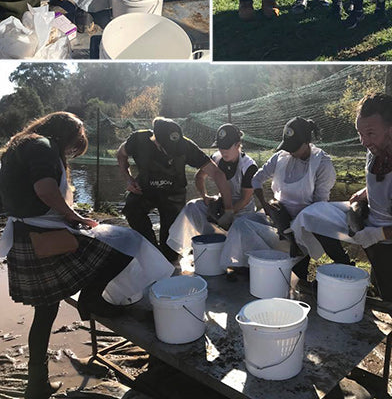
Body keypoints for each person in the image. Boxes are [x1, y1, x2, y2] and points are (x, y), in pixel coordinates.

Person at [0, 113, 172, 399]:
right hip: (43, 235)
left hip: (27, 234)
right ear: (65, 134)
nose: (71, 152)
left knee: (45, 313)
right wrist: (74, 217)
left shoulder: (21, 144)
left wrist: (67, 217)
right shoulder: (41, 145)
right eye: (73, 146)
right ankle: (91, 298)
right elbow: (44, 189)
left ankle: (36, 384)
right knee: (125, 244)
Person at [292, 92, 392, 385]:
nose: (364, 141)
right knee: (311, 216)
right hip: (366, 219)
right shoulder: (375, 142)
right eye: (360, 133)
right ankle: (341, 265)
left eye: (370, 134)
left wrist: (379, 234)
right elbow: (383, 184)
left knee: (391, 297)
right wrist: (364, 194)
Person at [224, 117, 351, 276]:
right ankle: (249, 266)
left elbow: (320, 207)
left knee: (302, 259)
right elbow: (256, 179)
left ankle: (342, 267)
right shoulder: (280, 157)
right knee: (242, 224)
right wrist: (265, 204)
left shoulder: (322, 163)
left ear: (306, 142)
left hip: (307, 221)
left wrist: (295, 226)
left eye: (294, 147)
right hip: (279, 215)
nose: (290, 151)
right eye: (288, 147)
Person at [116, 117, 234, 261]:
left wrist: (228, 210)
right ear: (155, 140)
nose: (172, 153)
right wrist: (128, 179)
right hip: (144, 189)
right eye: (168, 150)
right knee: (132, 209)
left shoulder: (185, 146)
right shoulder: (138, 139)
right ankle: (150, 249)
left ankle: (164, 255)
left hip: (173, 195)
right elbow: (121, 155)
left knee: (170, 253)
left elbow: (217, 174)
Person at [166, 123, 258, 258]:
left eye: (227, 147)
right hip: (222, 204)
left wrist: (228, 214)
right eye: (220, 147)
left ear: (238, 145)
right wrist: (205, 196)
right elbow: (199, 177)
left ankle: (235, 256)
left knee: (240, 226)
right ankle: (204, 243)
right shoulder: (216, 158)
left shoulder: (249, 166)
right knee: (192, 206)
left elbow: (245, 199)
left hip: (243, 212)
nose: (223, 151)